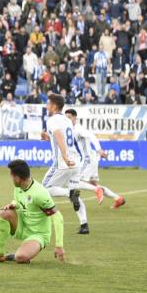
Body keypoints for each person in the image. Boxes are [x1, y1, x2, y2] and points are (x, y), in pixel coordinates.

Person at [0, 160, 65, 264]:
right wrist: (14, 204)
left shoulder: (40, 193)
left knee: (21, 257)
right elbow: (20, 201)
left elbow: (57, 217)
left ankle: (14, 255)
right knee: (5, 213)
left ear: (17, 178)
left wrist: (59, 245)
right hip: (23, 226)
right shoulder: (19, 187)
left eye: (11, 176)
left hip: (38, 234)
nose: (10, 179)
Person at [40, 94, 89, 234]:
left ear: (54, 106)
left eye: (48, 103)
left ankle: (69, 193)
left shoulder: (52, 120)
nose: (47, 105)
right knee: (75, 197)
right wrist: (48, 138)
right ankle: (84, 224)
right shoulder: (67, 120)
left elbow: (60, 136)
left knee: (45, 189)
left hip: (63, 162)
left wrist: (65, 157)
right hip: (76, 163)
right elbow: (66, 139)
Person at [65, 109, 126, 209]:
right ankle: (118, 199)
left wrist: (99, 149)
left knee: (75, 181)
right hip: (90, 159)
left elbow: (92, 136)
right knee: (93, 184)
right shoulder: (68, 129)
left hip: (87, 159)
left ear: (75, 118)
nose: (67, 119)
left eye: (69, 117)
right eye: (65, 117)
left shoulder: (79, 128)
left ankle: (98, 190)